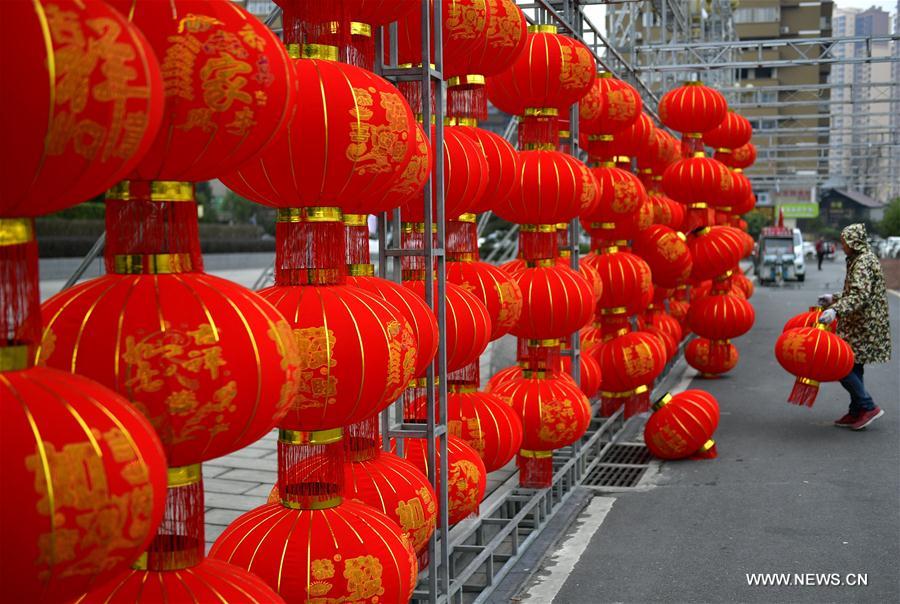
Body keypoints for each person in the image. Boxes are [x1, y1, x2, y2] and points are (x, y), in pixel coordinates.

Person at [818, 223, 891, 430]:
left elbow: (860, 296)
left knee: (840, 364)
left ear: (854, 242)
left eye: (845, 242)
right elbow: (855, 293)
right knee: (854, 365)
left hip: (863, 324)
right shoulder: (860, 258)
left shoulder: (862, 262)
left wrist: (836, 310)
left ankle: (868, 406)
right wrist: (834, 298)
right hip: (861, 322)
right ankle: (856, 410)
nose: (843, 246)